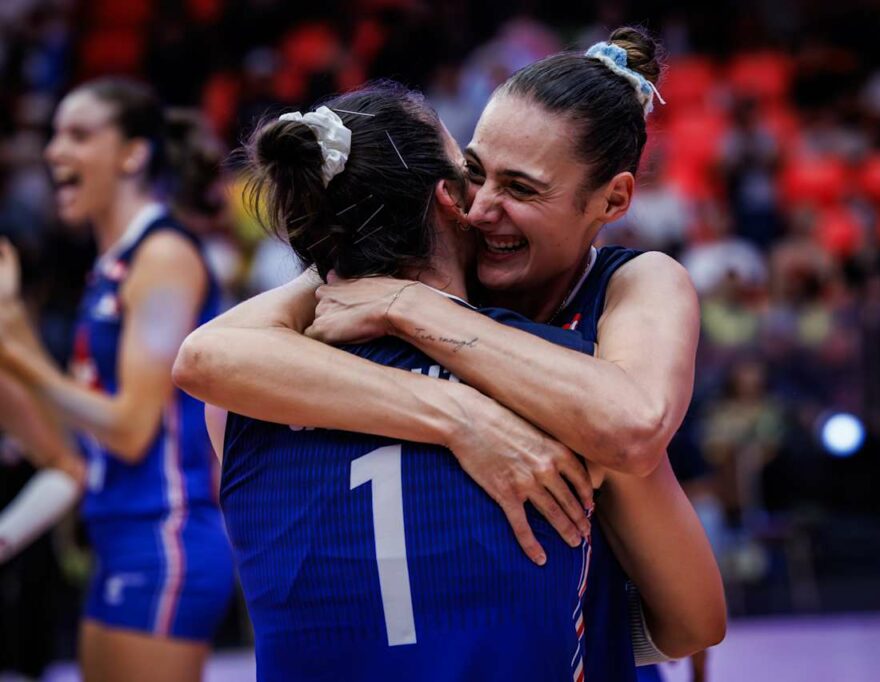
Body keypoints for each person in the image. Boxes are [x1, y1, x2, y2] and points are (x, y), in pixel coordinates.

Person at [175, 27, 725, 680]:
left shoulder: (636, 285)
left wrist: (407, 306)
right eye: (473, 172)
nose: (484, 206)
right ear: (444, 195)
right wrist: (461, 416)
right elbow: (203, 355)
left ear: (613, 199)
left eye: (521, 189)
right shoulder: (559, 375)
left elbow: (630, 424)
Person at [0, 78, 234, 682]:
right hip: (118, 535)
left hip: (165, 533)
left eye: (78, 134)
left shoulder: (161, 257)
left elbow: (131, 429)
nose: (54, 152)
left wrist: (15, 352)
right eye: (53, 134)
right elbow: (74, 433)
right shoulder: (111, 266)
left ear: (132, 154)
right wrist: (13, 326)